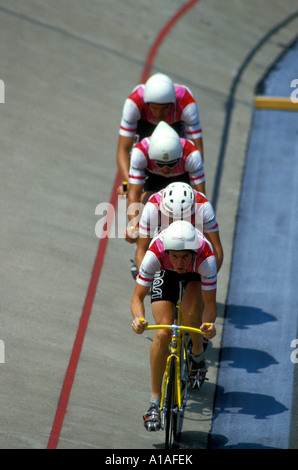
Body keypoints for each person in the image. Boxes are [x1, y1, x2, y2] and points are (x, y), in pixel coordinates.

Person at [130, 220, 218, 431]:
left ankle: (197, 354)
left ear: (193, 253)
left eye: (185, 256)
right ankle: (154, 402)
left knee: (191, 315)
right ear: (167, 251)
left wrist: (208, 325)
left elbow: (210, 304)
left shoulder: (206, 257)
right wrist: (138, 319)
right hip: (164, 272)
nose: (180, 262)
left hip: (195, 275)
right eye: (175, 256)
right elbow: (137, 298)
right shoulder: (155, 254)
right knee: (162, 332)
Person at [117, 73, 204, 195]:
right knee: (139, 195)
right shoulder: (134, 103)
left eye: (164, 108)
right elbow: (124, 149)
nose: (159, 114)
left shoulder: (186, 103)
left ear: (173, 103)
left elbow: (197, 149)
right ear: (146, 103)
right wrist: (130, 184)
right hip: (145, 128)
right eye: (154, 108)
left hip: (174, 131)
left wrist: (195, 174)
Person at [126, 121, 206, 243]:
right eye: (160, 164)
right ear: (151, 156)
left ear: (179, 156)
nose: (166, 169)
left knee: (185, 212)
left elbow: (200, 199)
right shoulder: (140, 152)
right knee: (144, 203)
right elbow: (133, 195)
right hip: (153, 180)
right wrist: (133, 226)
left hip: (181, 182)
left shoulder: (191, 155)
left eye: (171, 163)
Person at [136, 181, 224, 273]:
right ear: (163, 210)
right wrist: (145, 276)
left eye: (183, 218)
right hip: (165, 254)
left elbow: (216, 249)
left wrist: (210, 276)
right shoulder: (152, 207)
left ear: (192, 211)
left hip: (190, 257)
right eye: (172, 218)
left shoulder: (203, 207)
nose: (177, 223)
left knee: (195, 285)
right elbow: (142, 250)